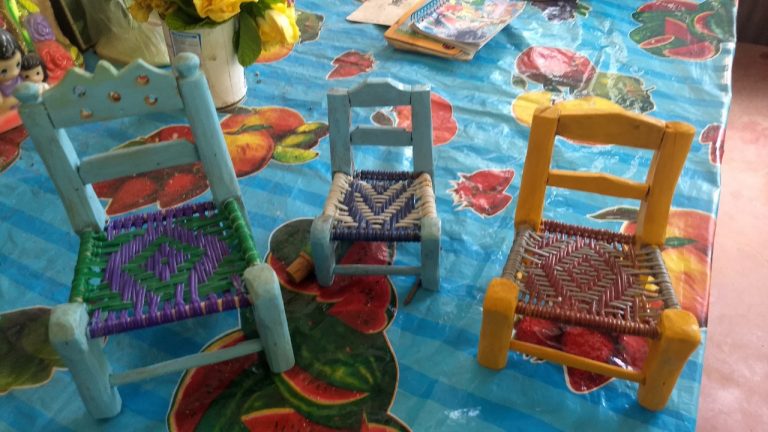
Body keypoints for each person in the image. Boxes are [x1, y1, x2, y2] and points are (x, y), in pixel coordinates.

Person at [0, 29, 23, 111]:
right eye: (3, 71)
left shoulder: (22, 74)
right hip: (14, 114)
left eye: (18, 64)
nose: (14, 73)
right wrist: (19, 97)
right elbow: (2, 107)